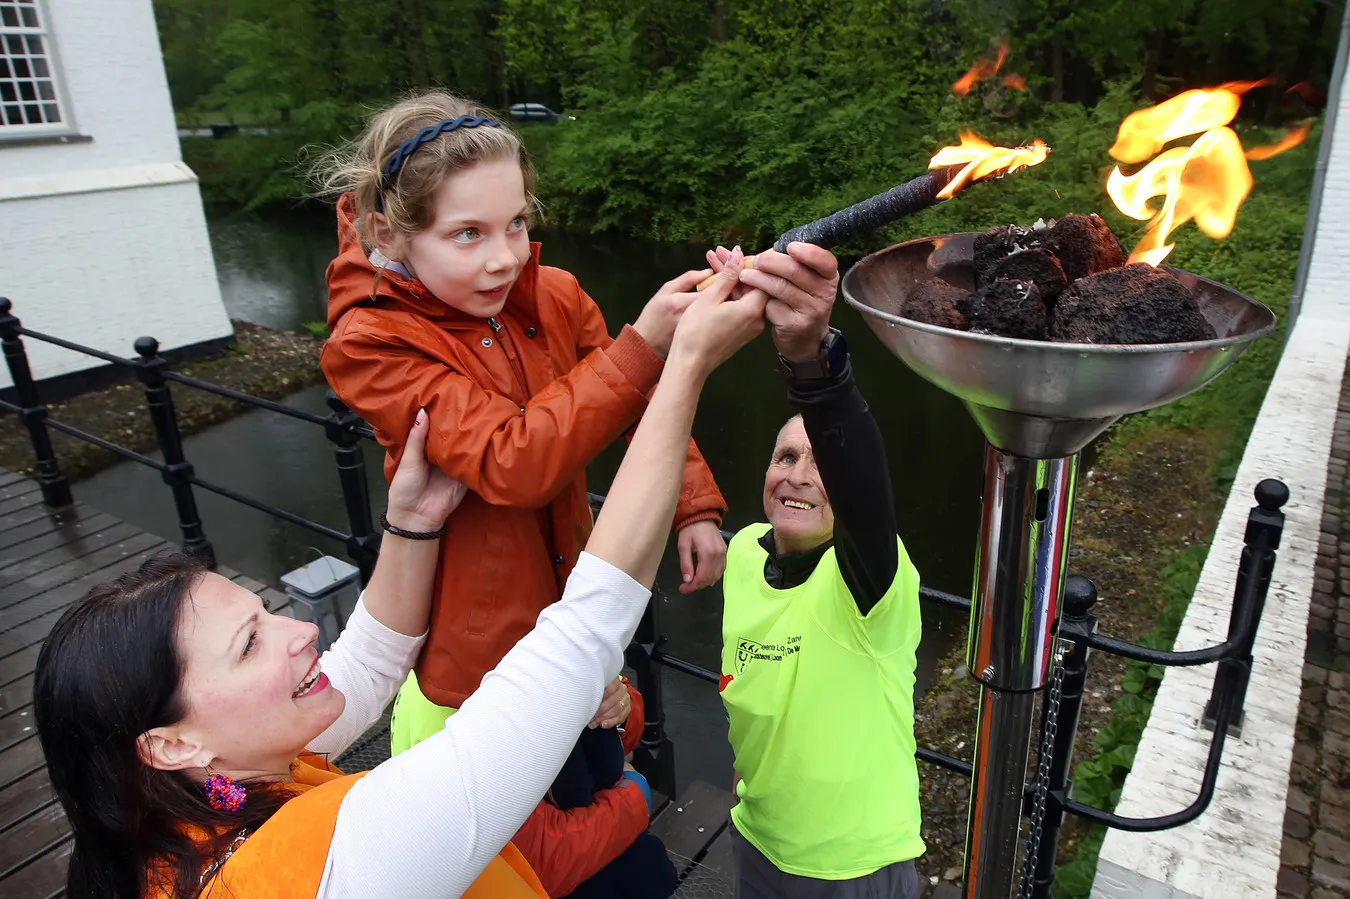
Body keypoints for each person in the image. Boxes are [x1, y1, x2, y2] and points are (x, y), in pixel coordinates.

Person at [32, 251, 768, 899]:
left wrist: (412, 521)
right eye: (249, 642)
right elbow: (580, 637)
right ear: (170, 744)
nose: (298, 628)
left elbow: (373, 656)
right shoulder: (324, 861)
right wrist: (684, 367)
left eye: (264, 612)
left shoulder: (200, 802)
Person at [315, 90, 729, 895]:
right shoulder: (372, 341)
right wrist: (653, 344)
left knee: (622, 853)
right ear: (389, 233)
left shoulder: (555, 294)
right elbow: (513, 460)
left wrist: (693, 500)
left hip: (578, 637)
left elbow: (641, 400)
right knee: (534, 870)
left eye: (515, 224)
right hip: (480, 675)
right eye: (466, 233)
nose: (503, 257)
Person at [708, 243, 925, 898]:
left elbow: (858, 476)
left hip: (851, 864)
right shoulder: (746, 551)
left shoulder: (872, 585)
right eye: (784, 456)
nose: (799, 474)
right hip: (759, 837)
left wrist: (815, 365)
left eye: (818, 461)